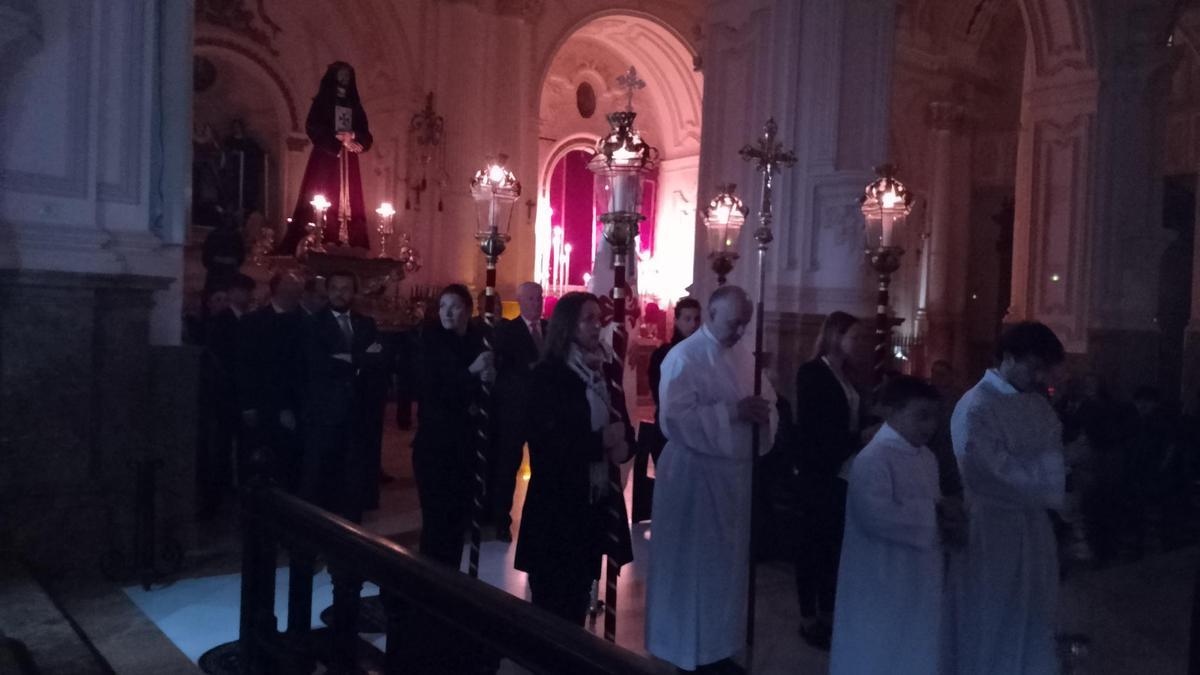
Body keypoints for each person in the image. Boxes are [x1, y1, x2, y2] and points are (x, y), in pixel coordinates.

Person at [645, 285, 777, 674]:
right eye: (735, 323)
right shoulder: (683, 357)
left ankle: (719, 646)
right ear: (712, 316)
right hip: (694, 476)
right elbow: (675, 418)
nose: (740, 332)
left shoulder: (742, 355)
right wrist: (733, 413)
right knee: (693, 566)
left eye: (745, 324)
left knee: (725, 567)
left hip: (732, 477)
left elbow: (766, 396)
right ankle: (685, 648)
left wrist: (763, 413)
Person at [948, 321, 1066, 675]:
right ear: (1009, 358)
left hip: (1032, 528)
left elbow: (1052, 452)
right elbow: (990, 471)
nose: (1039, 376)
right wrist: (1047, 475)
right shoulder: (976, 405)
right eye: (1034, 365)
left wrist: (1048, 471)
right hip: (991, 527)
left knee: (1033, 611)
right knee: (992, 614)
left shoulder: (1038, 405)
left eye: (1045, 367)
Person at [515, 291, 634, 625]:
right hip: (556, 502)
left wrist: (625, 444)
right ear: (568, 325)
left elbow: (621, 421)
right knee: (553, 598)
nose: (597, 327)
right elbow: (547, 441)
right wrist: (600, 442)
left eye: (599, 319)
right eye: (588, 319)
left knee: (579, 591)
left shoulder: (605, 373)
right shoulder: (548, 375)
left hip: (590, 500)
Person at [830, 376, 951, 674]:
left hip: (918, 576)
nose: (930, 425)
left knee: (913, 645)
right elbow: (875, 515)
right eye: (921, 416)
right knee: (879, 648)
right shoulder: (874, 458)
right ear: (894, 412)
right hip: (881, 575)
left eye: (934, 417)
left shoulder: (927, 458)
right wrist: (935, 515)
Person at [792, 311, 869, 649]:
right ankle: (809, 616)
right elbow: (816, 426)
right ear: (836, 336)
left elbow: (854, 415)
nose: (858, 343)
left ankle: (828, 610)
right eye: (854, 336)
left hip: (844, 470)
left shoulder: (849, 375)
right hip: (819, 470)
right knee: (813, 544)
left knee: (833, 544)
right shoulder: (812, 373)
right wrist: (857, 439)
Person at [411, 284, 494, 567]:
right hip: (436, 444)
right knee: (436, 522)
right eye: (443, 305)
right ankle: (430, 585)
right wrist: (472, 372)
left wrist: (487, 377)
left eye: (455, 306)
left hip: (465, 444)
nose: (447, 311)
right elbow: (435, 389)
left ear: (468, 311)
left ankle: (451, 584)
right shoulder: (430, 341)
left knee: (458, 521)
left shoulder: (477, 339)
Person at [298, 271, 386, 523]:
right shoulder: (313, 323)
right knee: (318, 475)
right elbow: (317, 364)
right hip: (324, 411)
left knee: (353, 474)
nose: (340, 293)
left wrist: (350, 359)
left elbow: (378, 359)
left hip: (358, 410)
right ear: (327, 290)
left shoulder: (365, 323)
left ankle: (351, 529)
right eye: (335, 287)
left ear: (354, 292)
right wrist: (359, 360)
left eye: (345, 288)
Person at [277, 62, 374, 253]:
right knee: (323, 192)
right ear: (333, 76)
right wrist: (337, 140)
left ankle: (349, 242)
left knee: (350, 198)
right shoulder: (323, 101)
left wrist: (352, 136)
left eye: (348, 75)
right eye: (342, 74)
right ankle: (318, 238)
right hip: (326, 157)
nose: (345, 78)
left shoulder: (355, 105)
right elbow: (313, 127)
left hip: (349, 160)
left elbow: (366, 136)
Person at [237, 272, 306, 488]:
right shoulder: (253, 322)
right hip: (264, 401)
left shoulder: (307, 322)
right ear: (277, 289)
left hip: (297, 402)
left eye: (298, 286)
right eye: (290, 285)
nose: (296, 290)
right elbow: (245, 365)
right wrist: (248, 405)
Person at [490, 281, 546, 541]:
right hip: (515, 409)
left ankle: (539, 520)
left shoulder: (550, 329)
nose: (537, 303)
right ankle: (501, 519)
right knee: (508, 466)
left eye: (540, 298)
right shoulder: (507, 330)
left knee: (543, 466)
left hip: (543, 413)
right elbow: (501, 367)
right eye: (532, 299)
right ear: (521, 301)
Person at [648, 297, 703, 425]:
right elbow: (660, 394)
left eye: (696, 319)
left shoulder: (704, 354)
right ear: (676, 321)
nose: (693, 324)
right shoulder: (662, 354)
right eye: (687, 319)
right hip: (670, 424)